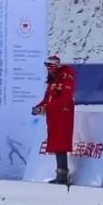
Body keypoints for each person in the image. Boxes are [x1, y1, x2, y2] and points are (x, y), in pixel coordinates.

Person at [33, 55, 76, 184]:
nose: (49, 70)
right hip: (53, 116)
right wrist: (39, 107)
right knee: (56, 144)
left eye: (50, 68)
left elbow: (65, 98)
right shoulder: (53, 80)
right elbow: (47, 98)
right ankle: (60, 174)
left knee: (61, 144)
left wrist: (46, 107)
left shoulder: (66, 78)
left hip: (63, 115)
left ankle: (63, 175)